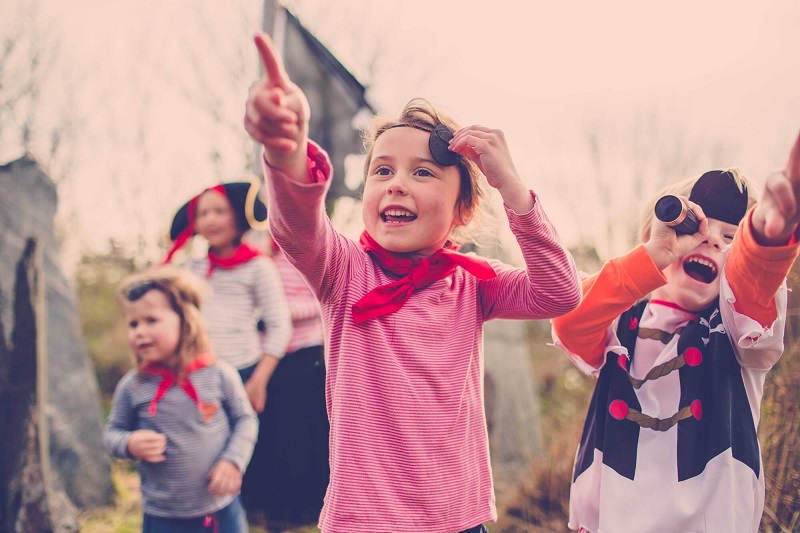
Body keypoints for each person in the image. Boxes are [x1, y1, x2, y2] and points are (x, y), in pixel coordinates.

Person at [243, 33, 582, 533]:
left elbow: (560, 292)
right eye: (382, 170)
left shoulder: (474, 283)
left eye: (423, 172)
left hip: (457, 520)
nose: (396, 182)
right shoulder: (343, 270)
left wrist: (511, 187)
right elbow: (296, 223)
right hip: (364, 521)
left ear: (463, 209)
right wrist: (287, 150)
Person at [551, 133, 800, 533]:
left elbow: (752, 284)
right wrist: (649, 260)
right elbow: (570, 321)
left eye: (730, 238)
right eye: (693, 227)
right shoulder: (619, 320)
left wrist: (765, 240)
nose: (712, 240)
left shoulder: (740, 336)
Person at [103, 266, 258, 533]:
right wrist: (129, 443)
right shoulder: (133, 386)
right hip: (162, 515)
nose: (139, 331)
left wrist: (233, 461)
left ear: (185, 321)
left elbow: (245, 420)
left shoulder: (218, 373)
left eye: (151, 320)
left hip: (219, 509)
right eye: (133, 323)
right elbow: (111, 433)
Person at [163, 179, 292, 414]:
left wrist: (259, 381)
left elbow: (280, 325)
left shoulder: (258, 267)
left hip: (244, 371)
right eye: (203, 213)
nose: (210, 219)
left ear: (238, 216)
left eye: (219, 211)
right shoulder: (193, 268)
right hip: (200, 373)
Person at [242, 238, 330, 529]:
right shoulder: (255, 255)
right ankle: (270, 508)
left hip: (303, 356)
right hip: (266, 357)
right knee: (271, 433)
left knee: (302, 433)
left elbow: (322, 301)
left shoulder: (306, 254)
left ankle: (307, 508)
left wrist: (282, 312)